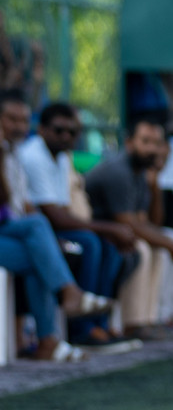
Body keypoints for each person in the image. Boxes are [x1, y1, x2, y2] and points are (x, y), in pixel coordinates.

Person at [15, 102, 138, 346]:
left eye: (72, 132)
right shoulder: (33, 155)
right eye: (59, 130)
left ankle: (99, 324)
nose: (66, 137)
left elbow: (61, 210)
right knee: (91, 243)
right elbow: (53, 216)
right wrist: (110, 227)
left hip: (45, 227)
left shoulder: (61, 157)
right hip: (35, 229)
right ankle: (80, 328)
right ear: (41, 130)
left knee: (109, 247)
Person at [0, 103, 112, 361]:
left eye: (23, 120)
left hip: (10, 233)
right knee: (39, 230)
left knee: (40, 250)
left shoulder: (13, 153)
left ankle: (49, 340)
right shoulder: (16, 153)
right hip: (7, 231)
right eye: (10, 119)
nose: (18, 127)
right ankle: (69, 296)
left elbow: (23, 206)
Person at [85, 119, 173, 339]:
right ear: (129, 143)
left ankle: (152, 318)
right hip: (98, 231)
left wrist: (155, 184)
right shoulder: (119, 171)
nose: (152, 149)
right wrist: (170, 244)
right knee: (145, 249)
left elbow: (150, 222)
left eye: (157, 143)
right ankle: (133, 323)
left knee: (162, 243)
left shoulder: (141, 173)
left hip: (118, 231)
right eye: (145, 142)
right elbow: (127, 221)